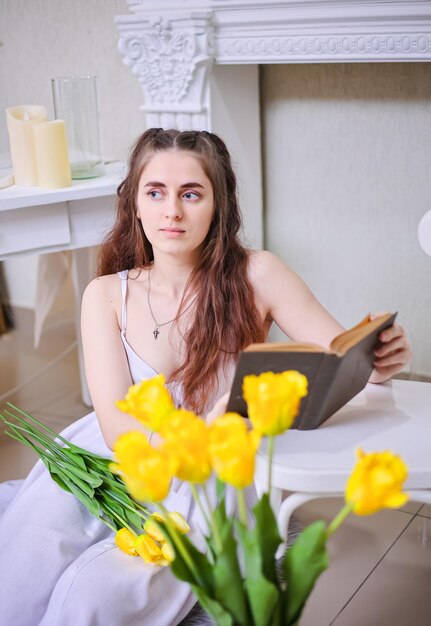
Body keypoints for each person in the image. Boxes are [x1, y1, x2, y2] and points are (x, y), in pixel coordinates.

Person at [0, 128, 411, 626]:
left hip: (209, 472)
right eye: (156, 192)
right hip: (113, 456)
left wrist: (383, 360)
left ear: (219, 204)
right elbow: (116, 429)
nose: (172, 211)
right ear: (134, 203)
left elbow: (342, 360)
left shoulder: (257, 274)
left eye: (191, 194)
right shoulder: (106, 293)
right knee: (20, 568)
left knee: (97, 595)